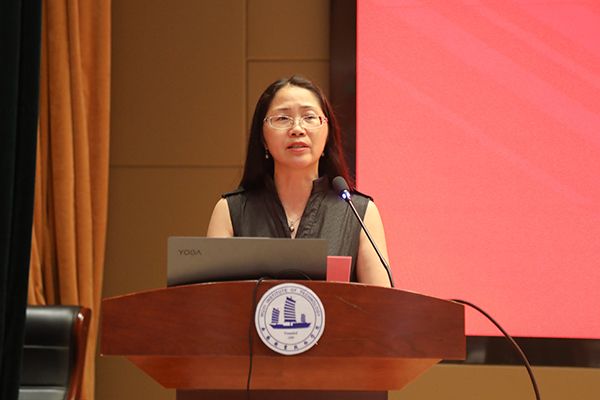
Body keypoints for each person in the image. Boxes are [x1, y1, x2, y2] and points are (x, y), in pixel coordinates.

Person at [207, 75, 391, 287]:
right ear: (263, 137)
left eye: (309, 117)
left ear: (327, 133)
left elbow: (381, 304)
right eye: (282, 118)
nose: (297, 129)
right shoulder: (231, 211)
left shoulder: (359, 212)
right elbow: (211, 302)